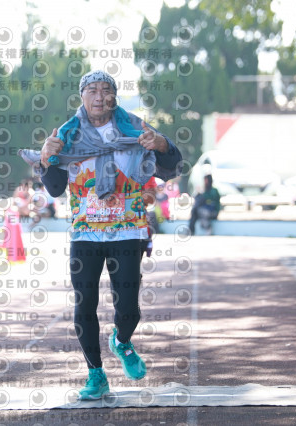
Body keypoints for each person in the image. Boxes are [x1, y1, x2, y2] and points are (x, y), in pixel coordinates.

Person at [20, 70, 182, 400]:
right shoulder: (67, 134)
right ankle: (96, 373)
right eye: (91, 90)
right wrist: (47, 159)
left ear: (114, 96)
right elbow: (55, 188)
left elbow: (172, 165)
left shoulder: (134, 127)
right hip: (85, 234)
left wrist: (162, 143)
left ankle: (121, 341)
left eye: (105, 90)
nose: (98, 96)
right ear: (81, 96)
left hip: (128, 229)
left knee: (128, 308)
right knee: (85, 304)